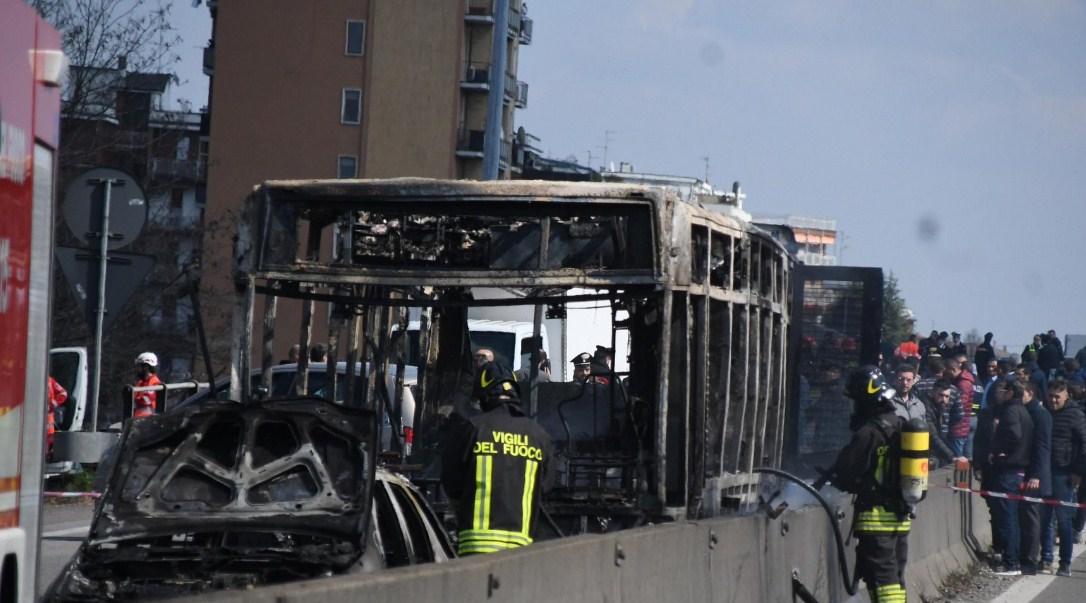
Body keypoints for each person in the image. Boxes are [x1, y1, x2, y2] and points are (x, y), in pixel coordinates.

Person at [440, 362, 553, 555]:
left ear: (482, 397)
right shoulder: (539, 436)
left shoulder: (472, 429)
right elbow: (546, 486)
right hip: (521, 551)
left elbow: (451, 482)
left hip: (475, 550)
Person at [828, 366, 912, 602]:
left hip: (876, 521)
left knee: (885, 582)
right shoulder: (900, 425)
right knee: (892, 579)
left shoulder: (869, 432)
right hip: (900, 519)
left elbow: (848, 472)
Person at [988, 378, 1034, 575]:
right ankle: (1012, 559)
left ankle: (1011, 562)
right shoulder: (1023, 411)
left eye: (1003, 390)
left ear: (1010, 392)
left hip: (1009, 470)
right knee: (1011, 518)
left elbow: (1014, 435)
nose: (1000, 394)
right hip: (1018, 470)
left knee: (1007, 519)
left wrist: (1000, 451)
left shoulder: (1011, 411)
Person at [1040, 380, 1085, 576]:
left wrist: (1078, 471)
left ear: (1066, 396)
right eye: (1050, 396)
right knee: (1045, 518)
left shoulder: (1075, 415)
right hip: (1044, 471)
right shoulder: (1044, 413)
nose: (1053, 400)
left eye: (1057, 396)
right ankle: (1046, 558)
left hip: (1065, 472)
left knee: (1064, 519)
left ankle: (1065, 562)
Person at [1017, 381, 1051, 575]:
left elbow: (1042, 447)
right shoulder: (1027, 411)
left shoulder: (1040, 414)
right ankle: (1025, 556)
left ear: (1030, 393)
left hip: (1035, 475)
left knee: (1031, 517)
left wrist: (1036, 475)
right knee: (1024, 516)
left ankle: (1030, 560)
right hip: (1026, 471)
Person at [944, 357, 975, 457]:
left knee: (957, 460)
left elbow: (960, 405)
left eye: (947, 371)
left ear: (953, 369)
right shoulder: (962, 381)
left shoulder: (963, 383)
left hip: (958, 428)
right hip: (962, 426)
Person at [133, 352, 162, 418]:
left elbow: (146, 403)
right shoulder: (142, 382)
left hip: (146, 421)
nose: (137, 369)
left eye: (139, 366)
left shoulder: (154, 383)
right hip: (137, 418)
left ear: (146, 367)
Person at [46, 376, 67, 456]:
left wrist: (54, 403)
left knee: (49, 438)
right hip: (33, 414)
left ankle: (46, 456)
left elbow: (63, 393)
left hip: (48, 416)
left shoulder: (50, 380)